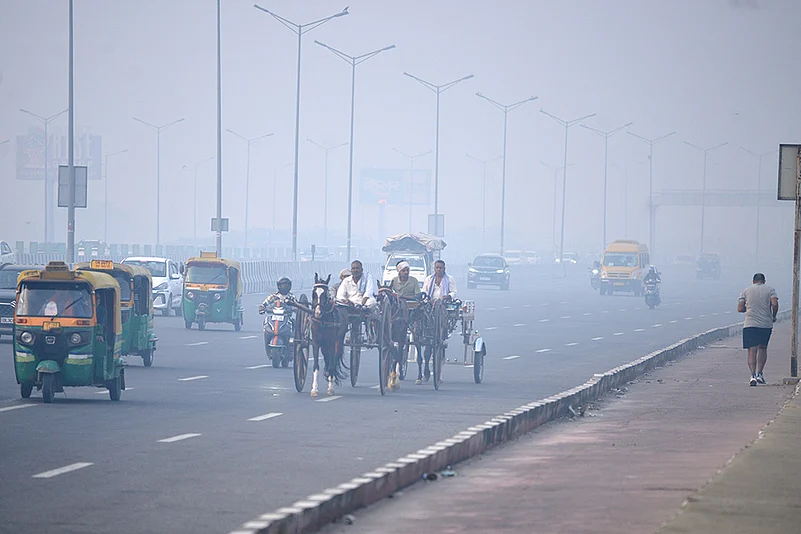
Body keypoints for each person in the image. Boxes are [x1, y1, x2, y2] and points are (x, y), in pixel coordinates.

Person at [738, 273, 779, 386]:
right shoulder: (770, 290)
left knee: (752, 350)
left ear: (753, 281)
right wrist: (773, 316)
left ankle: (752, 376)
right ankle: (760, 373)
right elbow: (774, 304)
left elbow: (740, 308)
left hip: (750, 324)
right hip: (765, 324)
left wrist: (749, 308)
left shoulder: (746, 291)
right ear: (764, 281)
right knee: (763, 348)